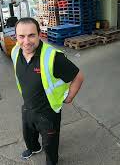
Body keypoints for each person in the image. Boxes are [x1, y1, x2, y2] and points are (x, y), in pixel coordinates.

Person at [11, 17, 84, 165]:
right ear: (16, 37)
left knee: (50, 143)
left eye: (31, 35)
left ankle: (51, 162)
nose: (26, 41)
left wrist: (69, 97)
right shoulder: (15, 52)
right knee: (29, 134)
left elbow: (78, 76)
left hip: (48, 111)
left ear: (39, 34)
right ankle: (34, 148)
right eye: (21, 36)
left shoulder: (52, 57)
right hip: (28, 105)